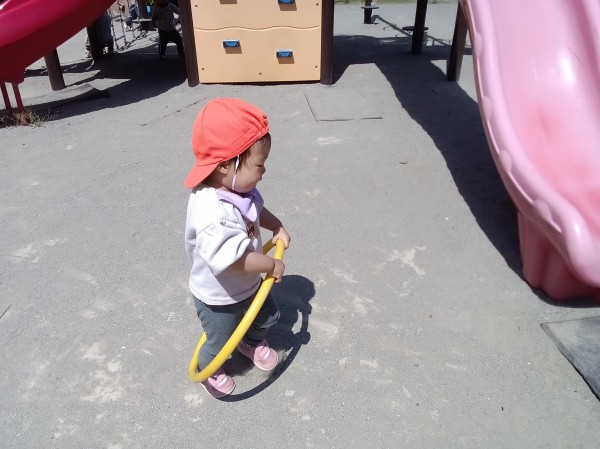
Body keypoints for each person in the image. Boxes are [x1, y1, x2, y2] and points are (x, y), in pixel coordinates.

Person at [184, 98, 291, 399]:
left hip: (248, 283)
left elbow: (256, 210)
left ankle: (250, 343)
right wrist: (271, 265)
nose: (264, 171)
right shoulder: (212, 214)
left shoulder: (238, 188)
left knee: (268, 315)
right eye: (259, 164)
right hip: (219, 296)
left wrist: (276, 226)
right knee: (219, 340)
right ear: (225, 165)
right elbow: (235, 260)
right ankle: (209, 370)